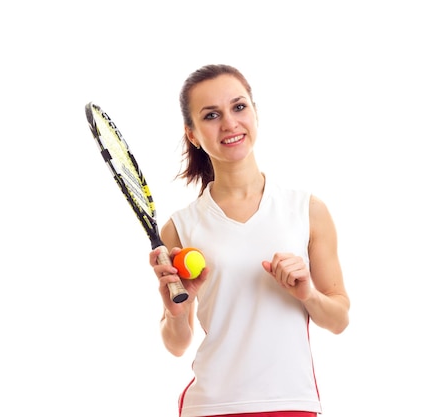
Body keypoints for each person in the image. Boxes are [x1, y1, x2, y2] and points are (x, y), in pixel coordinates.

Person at [148, 64, 350, 417]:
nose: (229, 123)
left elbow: (339, 319)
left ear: (255, 112)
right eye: (211, 115)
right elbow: (177, 344)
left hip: (290, 402)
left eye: (239, 107)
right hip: (210, 406)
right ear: (192, 134)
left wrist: (308, 295)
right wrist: (175, 310)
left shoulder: (307, 210)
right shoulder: (180, 227)